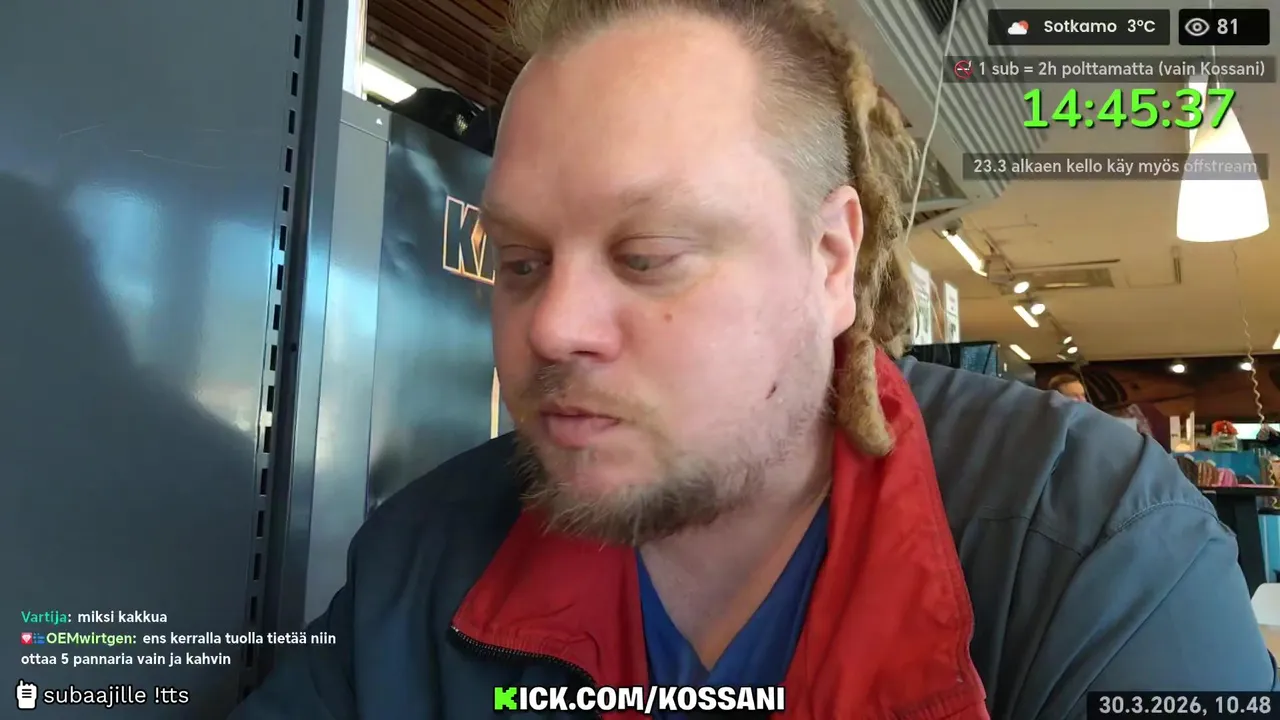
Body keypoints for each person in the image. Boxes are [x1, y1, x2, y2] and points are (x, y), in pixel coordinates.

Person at [232, 1, 1274, 717]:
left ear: (830, 261)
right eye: (519, 261)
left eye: (646, 256)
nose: (551, 327)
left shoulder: (1093, 544)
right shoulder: (420, 560)